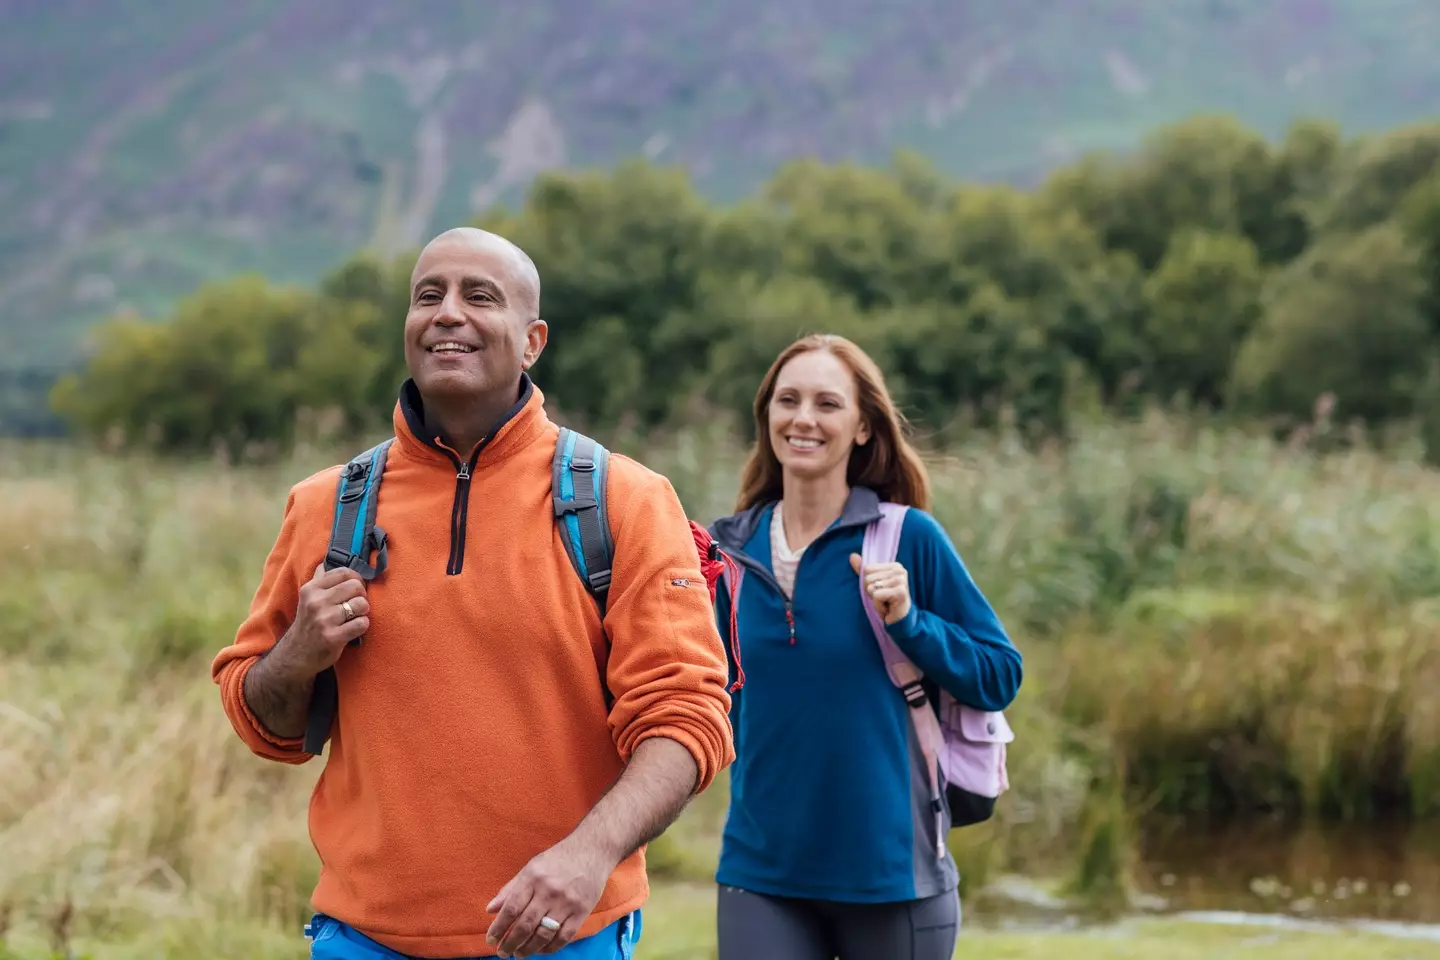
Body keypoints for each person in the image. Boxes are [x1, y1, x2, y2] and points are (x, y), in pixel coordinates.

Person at [211, 227, 735, 960]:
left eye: (478, 296)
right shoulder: (326, 506)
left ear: (532, 341)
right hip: (363, 937)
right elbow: (262, 721)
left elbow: (690, 719)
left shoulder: (624, 500)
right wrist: (296, 654)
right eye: (429, 295)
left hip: (563, 935)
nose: (447, 312)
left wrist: (589, 856)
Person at [707, 334, 1024, 960]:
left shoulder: (909, 538)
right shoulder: (726, 551)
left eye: (827, 404)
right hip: (761, 871)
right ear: (766, 414)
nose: (803, 419)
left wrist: (910, 621)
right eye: (787, 400)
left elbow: (999, 673)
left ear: (861, 428)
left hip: (892, 875)